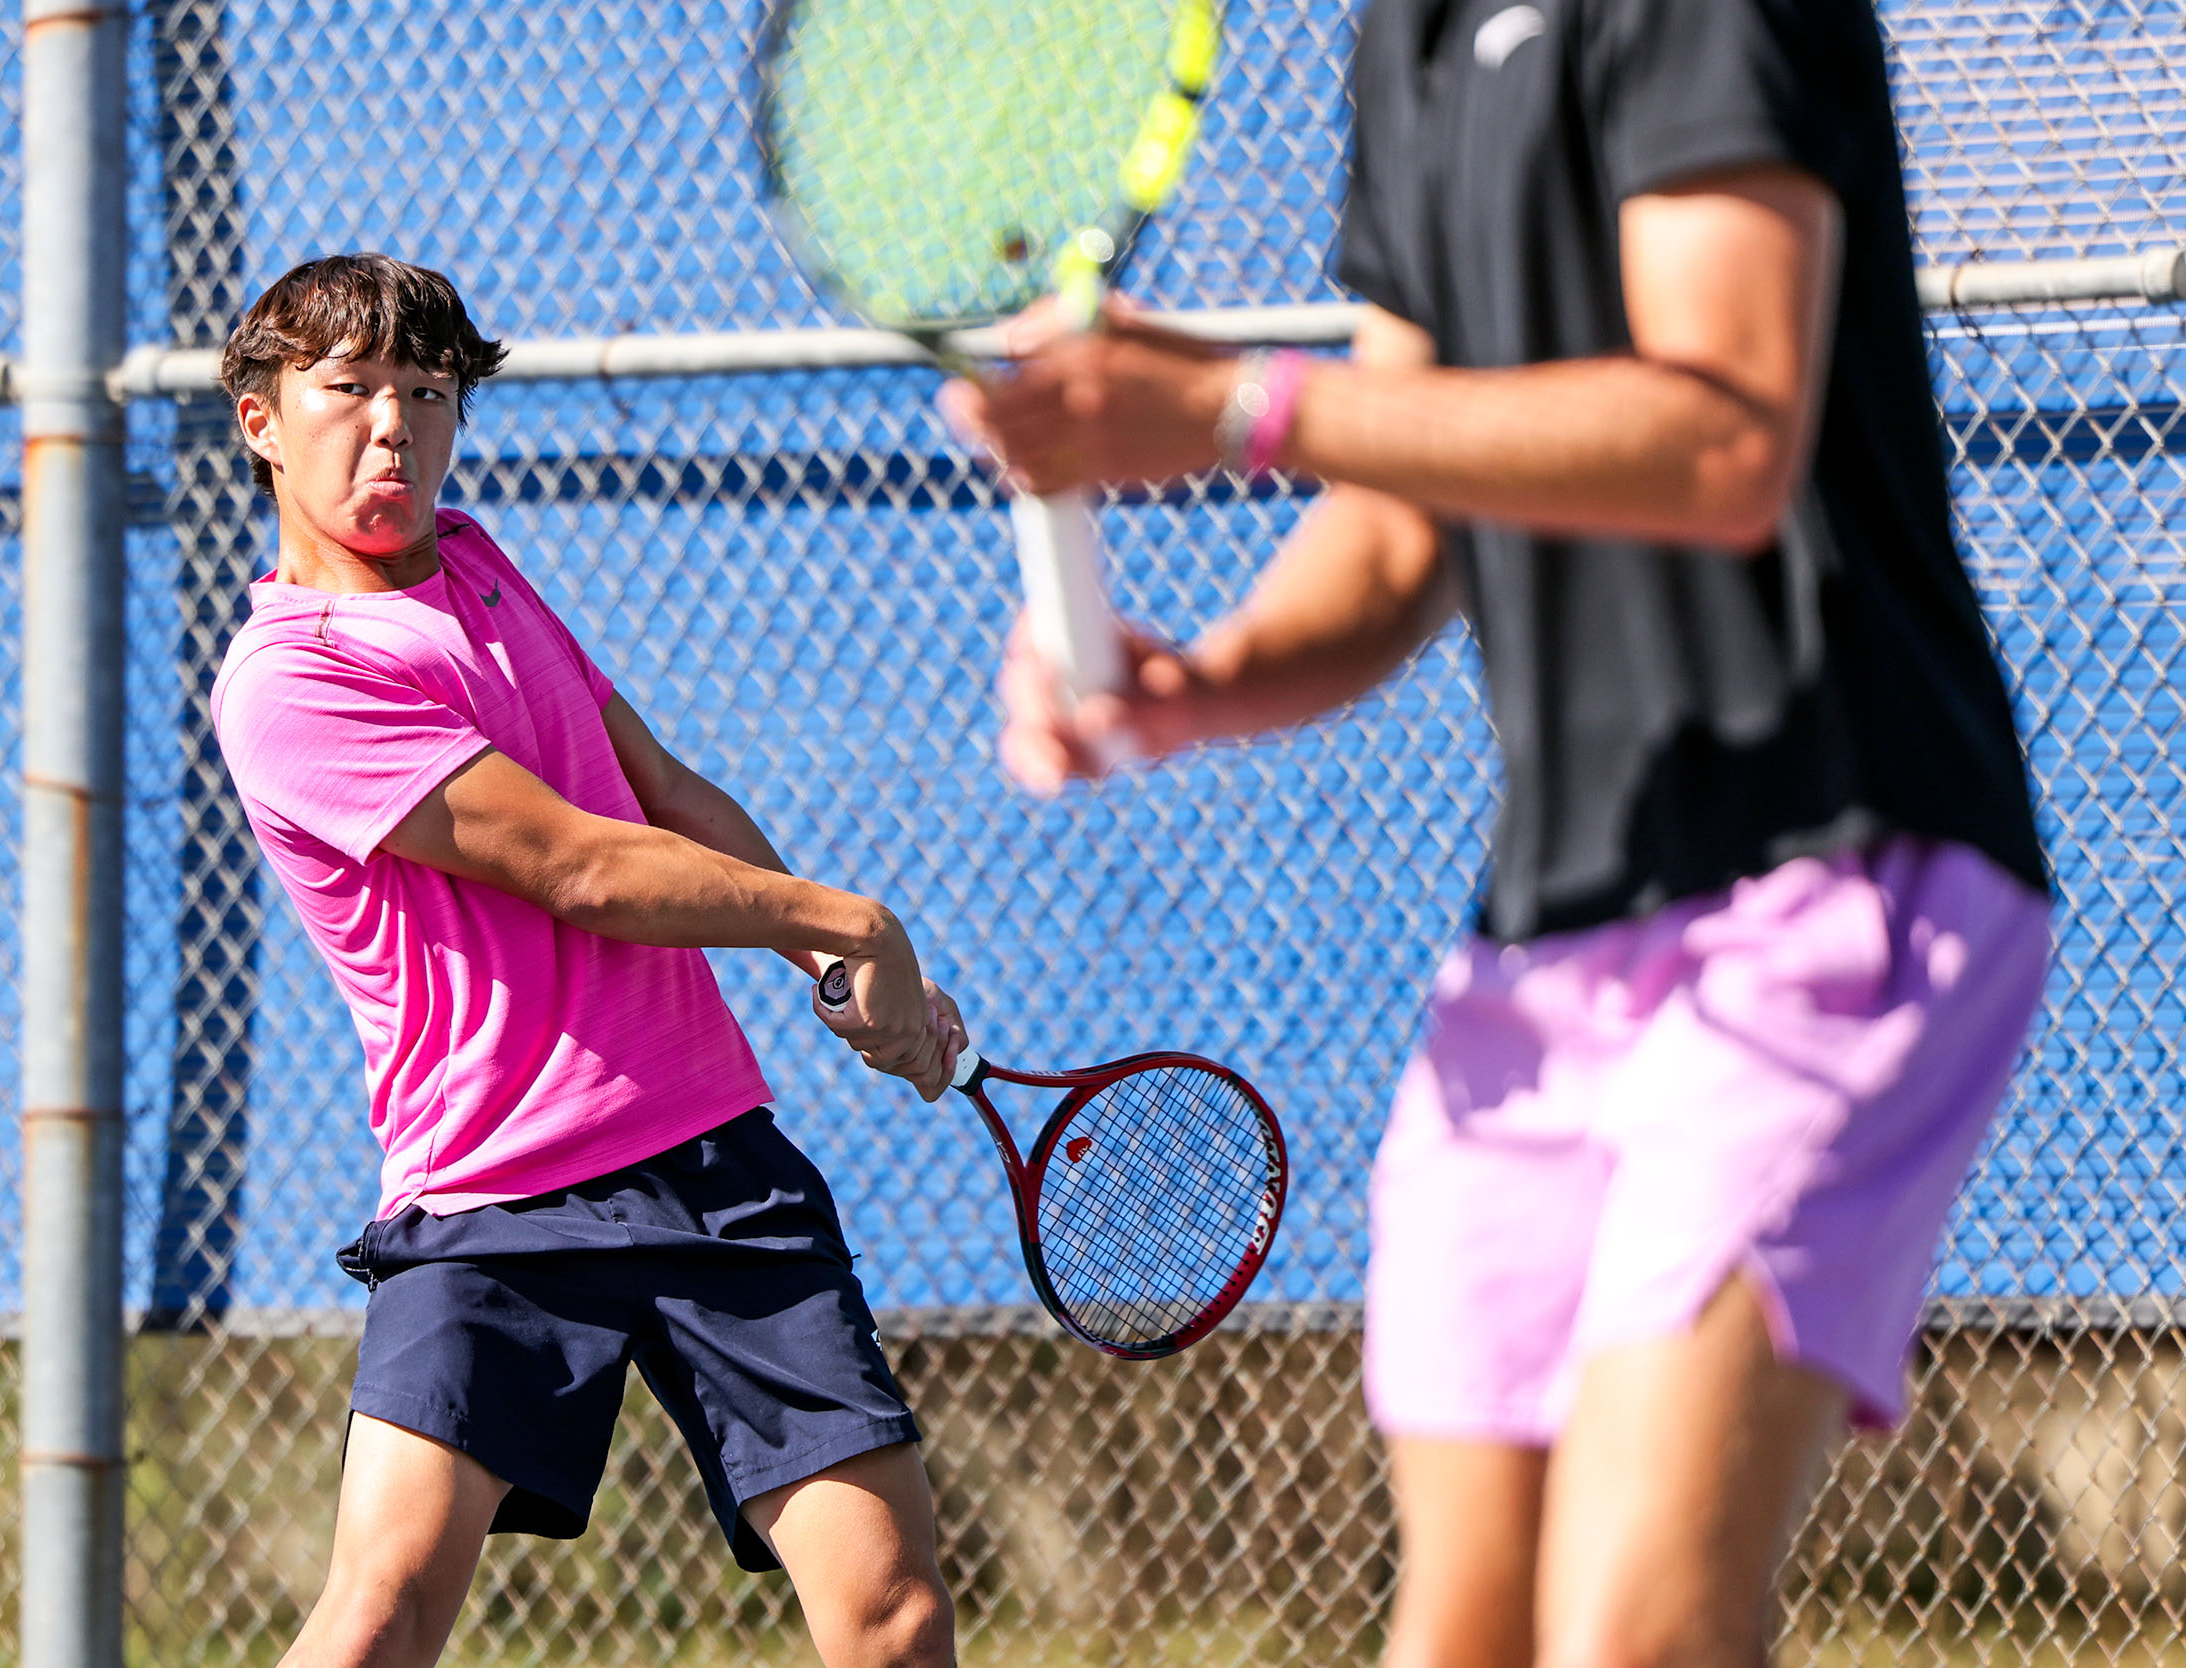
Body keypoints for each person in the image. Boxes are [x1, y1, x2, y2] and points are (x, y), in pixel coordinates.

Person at [942, 1, 2052, 1663]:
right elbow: (1400, 531)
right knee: (1465, 1633)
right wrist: (1200, 684)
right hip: (1556, 938)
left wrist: (1246, 406)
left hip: (1837, 866)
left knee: (1629, 1635)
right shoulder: (1412, 36)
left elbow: (1724, 432)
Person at [210, 252, 961, 1668]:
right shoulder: (291, 682)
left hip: (715, 1167)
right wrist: (856, 925)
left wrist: (829, 957)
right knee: (381, 1609)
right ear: (263, 420)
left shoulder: (482, 562)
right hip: (497, 1201)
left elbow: (653, 791)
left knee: (893, 1612)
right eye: (348, 390)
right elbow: (578, 865)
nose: (391, 429)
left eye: (425, 394)